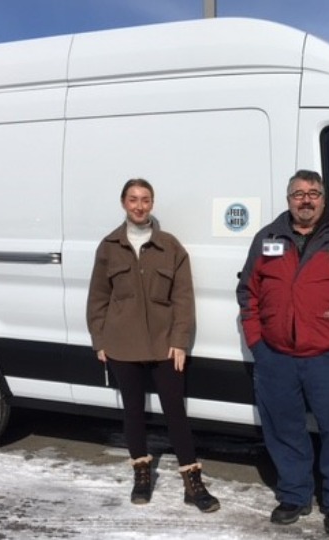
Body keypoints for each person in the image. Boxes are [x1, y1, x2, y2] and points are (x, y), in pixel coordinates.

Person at [236, 170, 329, 535]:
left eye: (313, 193)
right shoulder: (267, 238)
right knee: (283, 430)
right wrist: (257, 341)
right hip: (276, 357)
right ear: (288, 200)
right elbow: (247, 292)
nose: (306, 200)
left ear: (323, 199)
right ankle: (294, 495)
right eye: (298, 193)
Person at [87, 178, 220, 513]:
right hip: (122, 344)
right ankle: (141, 475)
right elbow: (98, 298)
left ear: (152, 203)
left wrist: (180, 341)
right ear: (123, 203)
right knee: (133, 411)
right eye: (133, 199)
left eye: (145, 199)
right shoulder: (109, 246)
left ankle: (193, 482)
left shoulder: (170, 246)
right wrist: (99, 340)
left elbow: (183, 298)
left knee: (175, 412)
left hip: (163, 344)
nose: (139, 205)